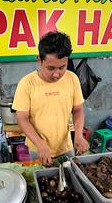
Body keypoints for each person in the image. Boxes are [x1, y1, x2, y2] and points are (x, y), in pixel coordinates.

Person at [12, 31, 89, 166]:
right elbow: (22, 118)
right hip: (39, 149)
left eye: (62, 67)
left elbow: (78, 110)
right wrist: (40, 144)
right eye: (51, 68)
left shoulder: (72, 79)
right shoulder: (27, 83)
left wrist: (78, 136)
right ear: (39, 60)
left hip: (66, 147)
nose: (56, 74)